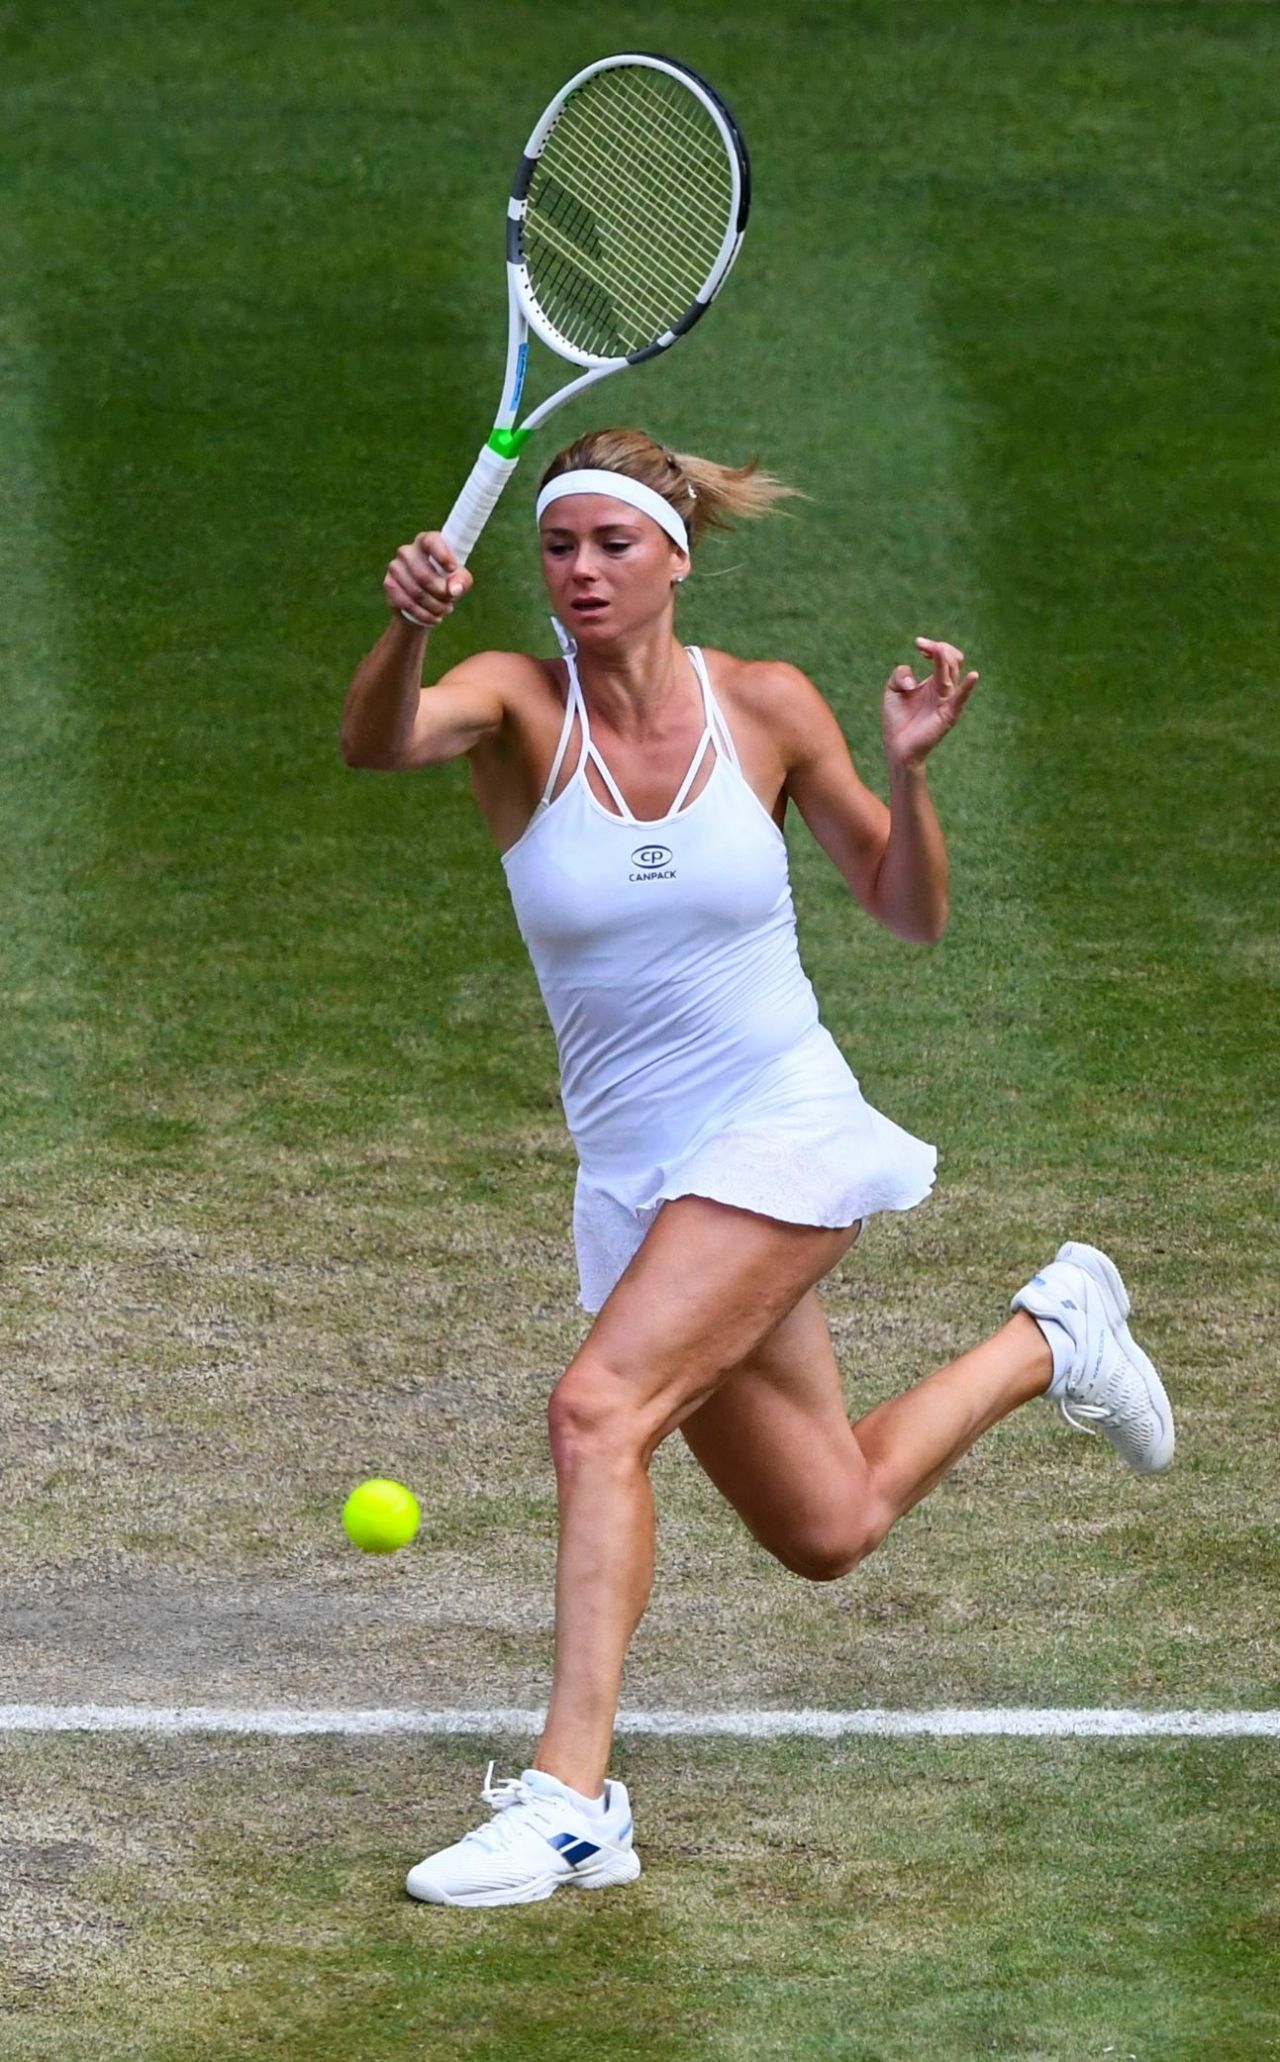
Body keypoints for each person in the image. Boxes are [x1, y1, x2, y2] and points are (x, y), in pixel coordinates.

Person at [341, 427, 1174, 1909]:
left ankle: (572, 1799)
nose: (581, 572)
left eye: (611, 545)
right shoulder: (518, 708)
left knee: (597, 1413)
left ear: (674, 557)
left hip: (779, 1121)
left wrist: (909, 778)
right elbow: (376, 741)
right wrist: (406, 630)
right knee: (828, 1520)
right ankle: (1054, 1333)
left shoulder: (770, 708)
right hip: (638, 1182)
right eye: (559, 548)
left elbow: (905, 909)